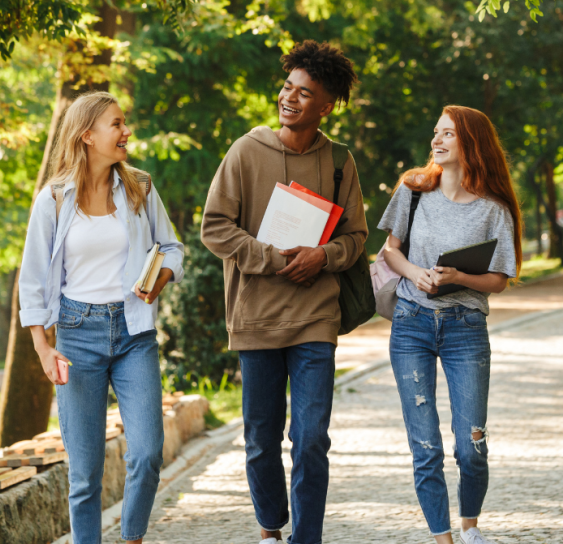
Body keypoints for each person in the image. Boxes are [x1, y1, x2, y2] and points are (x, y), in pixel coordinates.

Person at [201, 40, 366, 544]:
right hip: (255, 318)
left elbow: (356, 237)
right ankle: (271, 528)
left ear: (326, 106)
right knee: (260, 438)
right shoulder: (245, 151)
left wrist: (323, 256)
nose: (289, 98)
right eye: (287, 87)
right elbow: (215, 228)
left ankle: (306, 538)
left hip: (316, 318)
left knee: (311, 438)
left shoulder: (339, 161)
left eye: (303, 92)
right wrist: (274, 258)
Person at [19, 91, 184, 544]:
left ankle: (132, 538)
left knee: (147, 453)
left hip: (134, 333)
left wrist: (161, 278)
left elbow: (172, 247)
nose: (126, 131)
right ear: (87, 135)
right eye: (117, 124)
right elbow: (32, 279)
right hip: (76, 335)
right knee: (85, 471)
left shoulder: (139, 186)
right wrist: (42, 347)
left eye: (124, 123)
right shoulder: (53, 199)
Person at [377, 106, 522, 544]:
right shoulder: (413, 190)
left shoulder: (494, 209)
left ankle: (470, 527)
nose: (436, 141)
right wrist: (414, 273)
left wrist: (459, 276)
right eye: (435, 133)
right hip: (411, 323)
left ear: (471, 143)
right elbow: (390, 251)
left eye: (447, 134)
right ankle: (443, 539)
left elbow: (499, 280)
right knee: (426, 446)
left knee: (471, 445)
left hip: (465, 328)